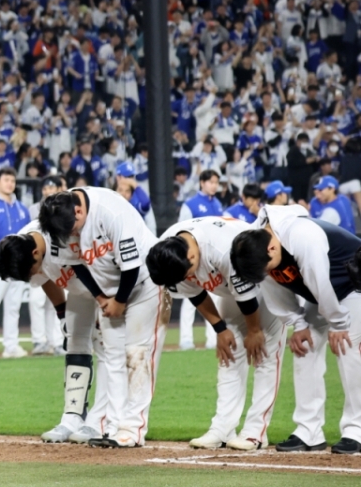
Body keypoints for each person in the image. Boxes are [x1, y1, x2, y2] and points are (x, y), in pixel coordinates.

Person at [38, 186, 167, 448]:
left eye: (73, 229)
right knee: (114, 359)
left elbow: (131, 266)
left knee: (137, 355)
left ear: (79, 210)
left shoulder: (111, 212)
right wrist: (100, 298)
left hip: (146, 282)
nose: (71, 236)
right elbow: (77, 265)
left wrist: (119, 301)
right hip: (109, 293)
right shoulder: (60, 220)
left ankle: (133, 429)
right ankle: (113, 427)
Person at [230, 205, 361, 455]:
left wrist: (338, 324)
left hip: (353, 286)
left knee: (348, 349)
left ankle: (356, 430)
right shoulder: (256, 245)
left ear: (272, 248)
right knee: (304, 348)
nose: (267, 273)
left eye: (267, 268)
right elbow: (275, 289)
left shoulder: (302, 236)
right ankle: (308, 430)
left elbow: (320, 281)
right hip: (322, 295)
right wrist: (298, 324)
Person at [147, 215, 285, 452]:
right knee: (229, 355)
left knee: (264, 354)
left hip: (264, 278)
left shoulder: (222, 248)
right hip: (232, 288)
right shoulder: (169, 253)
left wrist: (254, 330)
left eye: (186, 273)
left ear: (192, 257)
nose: (186, 279)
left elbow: (247, 294)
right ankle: (222, 428)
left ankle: (256, 432)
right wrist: (220, 329)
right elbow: (195, 293)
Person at [0, 221, 108, 445]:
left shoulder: (63, 234)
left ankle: (100, 420)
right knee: (75, 342)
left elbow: (102, 263)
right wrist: (62, 313)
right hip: (79, 289)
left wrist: (104, 301)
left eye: (30, 270)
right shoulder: (25, 245)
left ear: (36, 253)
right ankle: (73, 416)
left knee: (106, 347)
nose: (33, 274)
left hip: (105, 281)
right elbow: (44, 277)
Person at [0, 167, 32, 358]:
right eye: (6, 180)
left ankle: (11, 346)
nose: (10, 184)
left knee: (13, 306)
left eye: (12, 180)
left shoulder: (22, 208)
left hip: (18, 264)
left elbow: (28, 236)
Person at [177, 169, 224, 351]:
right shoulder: (190, 204)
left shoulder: (217, 204)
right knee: (190, 298)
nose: (214, 186)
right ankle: (186, 340)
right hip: (193, 258)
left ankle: (212, 339)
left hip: (211, 259)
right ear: (202, 183)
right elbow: (180, 231)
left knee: (215, 297)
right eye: (211, 182)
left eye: (216, 182)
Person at [115, 162, 156, 233]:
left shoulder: (136, 197)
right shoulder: (111, 194)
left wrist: (134, 184)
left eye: (132, 177)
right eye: (128, 177)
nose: (131, 180)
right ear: (118, 177)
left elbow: (145, 204)